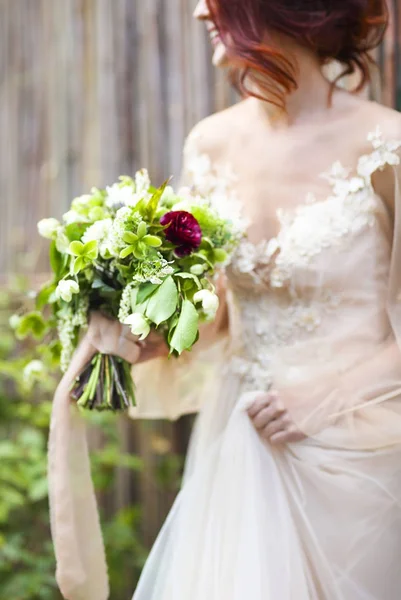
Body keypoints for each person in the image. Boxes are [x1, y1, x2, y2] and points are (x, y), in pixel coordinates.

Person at [49, 0, 401, 598]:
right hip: (239, 450)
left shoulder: (385, 145)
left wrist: (326, 396)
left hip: (363, 459)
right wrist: (151, 336)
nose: (194, 13)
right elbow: (218, 308)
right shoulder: (210, 143)